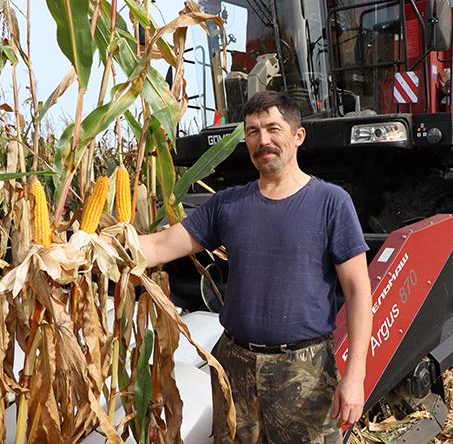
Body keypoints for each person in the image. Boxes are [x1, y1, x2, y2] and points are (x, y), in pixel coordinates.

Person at [138, 90, 373, 444]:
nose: (262, 140)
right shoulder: (228, 205)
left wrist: (355, 375)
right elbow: (157, 246)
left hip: (303, 370)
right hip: (235, 367)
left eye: (273, 129)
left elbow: (358, 292)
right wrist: (91, 245)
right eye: (252, 132)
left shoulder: (331, 202)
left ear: (298, 136)